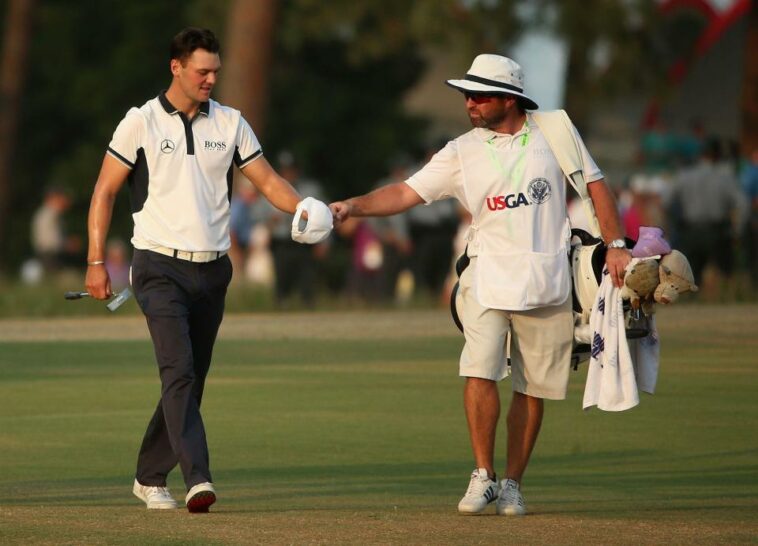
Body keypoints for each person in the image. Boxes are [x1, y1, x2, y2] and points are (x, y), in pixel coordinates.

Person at [329, 54, 630, 516]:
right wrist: (353, 205)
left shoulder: (555, 131)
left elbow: (595, 186)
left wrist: (615, 244)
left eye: (479, 95)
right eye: (466, 95)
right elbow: (406, 192)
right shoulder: (460, 150)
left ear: (509, 99)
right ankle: (483, 475)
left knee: (533, 388)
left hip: (548, 279)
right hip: (486, 276)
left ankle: (512, 483)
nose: (469, 103)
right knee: (479, 372)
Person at [84, 28, 316, 513]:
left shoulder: (231, 123)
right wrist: (96, 261)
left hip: (213, 270)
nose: (211, 78)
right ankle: (198, 479)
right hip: (157, 265)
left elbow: (267, 179)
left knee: (190, 379)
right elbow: (104, 192)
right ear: (177, 68)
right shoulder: (141, 121)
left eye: (215, 71)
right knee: (180, 372)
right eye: (202, 71)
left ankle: (149, 476)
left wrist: (304, 211)